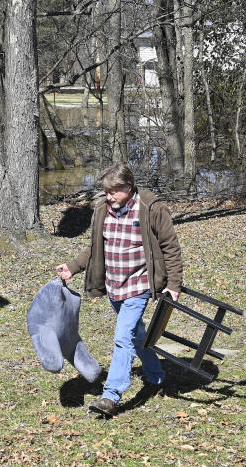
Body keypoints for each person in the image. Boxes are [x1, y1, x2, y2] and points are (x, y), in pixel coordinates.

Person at [56, 163, 183, 417]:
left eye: (114, 191)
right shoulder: (104, 208)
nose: (109, 196)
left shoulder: (151, 208)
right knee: (136, 334)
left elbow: (171, 247)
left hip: (140, 284)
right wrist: (72, 267)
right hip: (114, 284)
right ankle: (156, 376)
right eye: (106, 191)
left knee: (123, 337)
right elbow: (95, 247)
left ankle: (111, 395)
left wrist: (173, 284)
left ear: (128, 186)